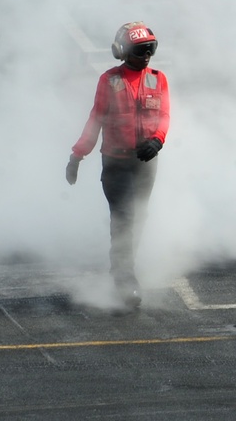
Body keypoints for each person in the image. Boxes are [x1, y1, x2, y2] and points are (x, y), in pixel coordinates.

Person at [65, 22, 170, 309]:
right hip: (116, 164)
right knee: (123, 218)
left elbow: (163, 116)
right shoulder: (109, 81)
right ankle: (125, 279)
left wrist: (158, 141)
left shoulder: (158, 79)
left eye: (151, 49)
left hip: (146, 164)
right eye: (140, 50)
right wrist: (77, 156)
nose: (147, 55)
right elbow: (95, 120)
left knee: (140, 217)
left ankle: (125, 266)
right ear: (122, 51)